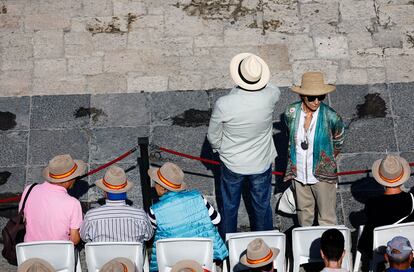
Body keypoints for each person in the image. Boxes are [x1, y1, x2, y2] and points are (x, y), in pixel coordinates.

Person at [207, 52, 281, 234]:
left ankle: (228, 242)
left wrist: (219, 149)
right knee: (262, 205)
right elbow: (271, 87)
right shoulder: (270, 96)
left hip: (233, 162)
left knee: (229, 205)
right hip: (261, 162)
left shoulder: (224, 103)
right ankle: (266, 242)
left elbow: (213, 135)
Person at [284, 71, 345, 226]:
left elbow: (339, 142)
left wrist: (325, 160)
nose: (317, 101)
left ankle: (329, 249)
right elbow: (290, 136)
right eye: (312, 97)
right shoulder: (291, 112)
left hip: (322, 175)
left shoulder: (332, 116)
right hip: (299, 174)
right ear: (302, 96)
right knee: (304, 215)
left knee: (327, 218)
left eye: (321, 97)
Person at [147, 162, 228, 272]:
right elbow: (217, 219)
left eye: (155, 182)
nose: (153, 185)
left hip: (172, 261)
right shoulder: (198, 197)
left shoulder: (154, 211)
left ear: (162, 188)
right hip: (203, 258)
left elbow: (149, 234)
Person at [18, 154, 85, 245]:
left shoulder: (29, 189)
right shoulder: (73, 203)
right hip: (59, 254)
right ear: (69, 180)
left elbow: (24, 218)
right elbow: (74, 240)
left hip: (30, 252)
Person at [358, 155, 414, 258]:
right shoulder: (412, 199)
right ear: (401, 176)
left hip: (381, 248)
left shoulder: (372, 203)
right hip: (408, 246)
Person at [80, 165, 153, 243]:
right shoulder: (140, 215)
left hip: (101, 255)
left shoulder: (91, 216)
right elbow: (148, 236)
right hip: (131, 255)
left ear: (105, 192)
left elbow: (84, 237)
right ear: (125, 190)